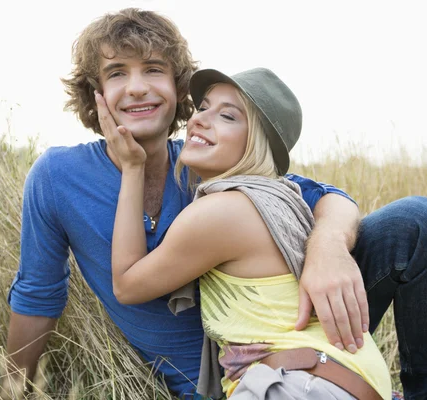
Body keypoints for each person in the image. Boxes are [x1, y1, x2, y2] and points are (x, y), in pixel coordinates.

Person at [6, 8, 427, 399]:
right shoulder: (57, 177)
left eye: (153, 69)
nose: (137, 87)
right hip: (227, 375)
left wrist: (326, 248)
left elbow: (327, 197)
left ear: (178, 89)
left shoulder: (209, 167)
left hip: (296, 321)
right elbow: (38, 295)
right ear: (96, 95)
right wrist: (9, 390)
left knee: (423, 222)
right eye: (116, 73)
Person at [108, 66, 392, 399]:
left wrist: (132, 167)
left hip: (298, 386)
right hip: (336, 379)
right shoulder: (278, 199)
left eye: (227, 116)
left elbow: (127, 284)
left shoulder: (222, 212)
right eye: (202, 108)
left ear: (256, 144)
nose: (198, 120)